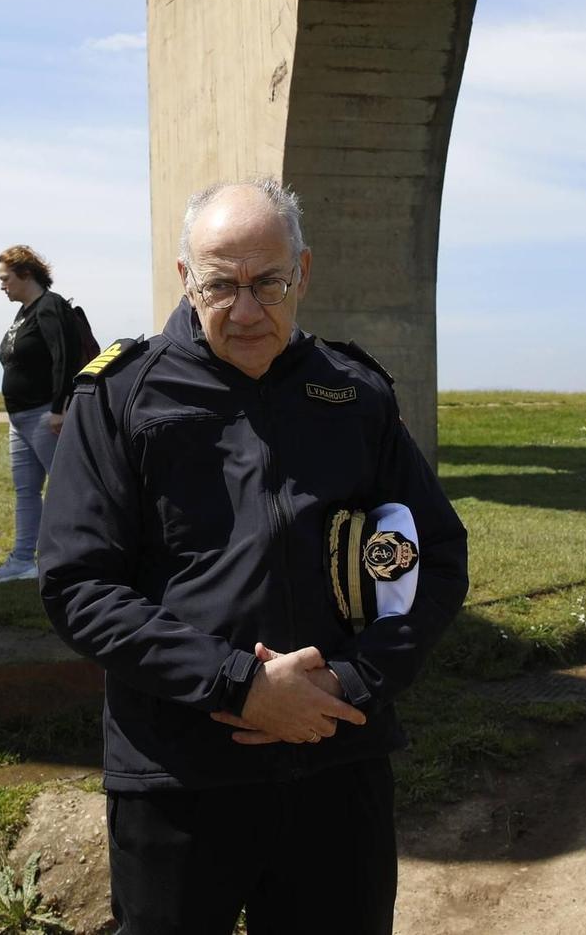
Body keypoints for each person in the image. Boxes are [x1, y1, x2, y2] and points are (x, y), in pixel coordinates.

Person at [39, 178, 469, 935]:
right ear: (184, 279)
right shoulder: (120, 396)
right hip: (179, 772)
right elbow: (79, 585)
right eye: (221, 283)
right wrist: (238, 683)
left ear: (302, 272)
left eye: (268, 281)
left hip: (338, 761)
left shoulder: (354, 392)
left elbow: (434, 554)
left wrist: (353, 679)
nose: (246, 308)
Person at [0, 244, 76, 584]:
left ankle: (69, 558)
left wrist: (59, 408)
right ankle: (23, 559)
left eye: (5, 278)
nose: (1, 285)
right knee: (25, 491)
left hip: (45, 416)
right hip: (19, 419)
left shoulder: (49, 306)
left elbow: (63, 357)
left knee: (63, 488)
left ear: (25, 274)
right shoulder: (23, 313)